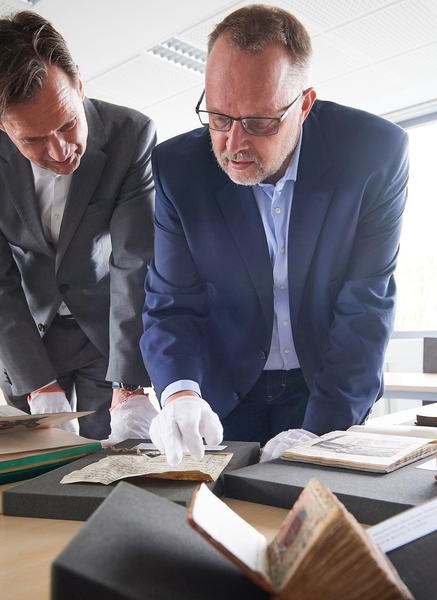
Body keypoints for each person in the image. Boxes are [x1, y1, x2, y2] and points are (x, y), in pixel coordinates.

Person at [141, 5, 409, 463]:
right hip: (223, 394)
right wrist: (179, 394)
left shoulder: (373, 154)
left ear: (303, 105)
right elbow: (172, 304)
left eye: (259, 122)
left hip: (325, 385)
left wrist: (320, 431)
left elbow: (365, 305)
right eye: (220, 117)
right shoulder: (177, 171)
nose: (233, 143)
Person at [0, 11, 156, 440]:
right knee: (34, 471)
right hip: (29, 335)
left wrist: (131, 382)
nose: (61, 150)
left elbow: (133, 263)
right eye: (33, 139)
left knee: (115, 464)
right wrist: (38, 384)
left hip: (107, 333)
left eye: (67, 123)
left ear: (79, 84)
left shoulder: (130, 135)